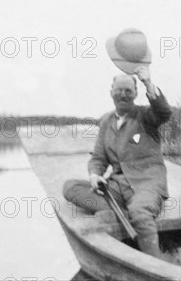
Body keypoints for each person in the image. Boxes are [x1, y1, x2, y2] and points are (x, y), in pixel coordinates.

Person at [62, 67, 172, 259]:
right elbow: (98, 158)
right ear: (111, 93)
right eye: (119, 90)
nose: (123, 95)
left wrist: (148, 82)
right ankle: (117, 211)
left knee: (140, 211)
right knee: (70, 187)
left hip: (148, 184)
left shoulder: (146, 116)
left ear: (136, 94)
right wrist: (95, 175)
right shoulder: (106, 121)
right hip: (117, 186)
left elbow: (164, 112)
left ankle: (158, 267)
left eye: (128, 91)